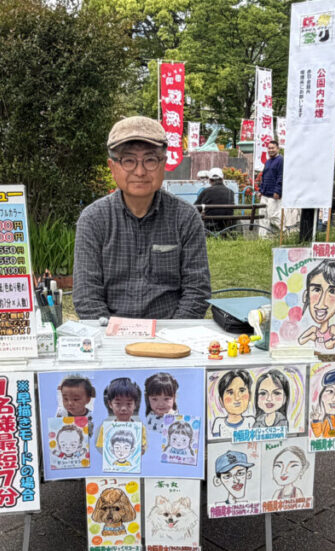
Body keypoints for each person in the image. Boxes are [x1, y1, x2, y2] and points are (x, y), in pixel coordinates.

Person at [73, 115, 211, 319]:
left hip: (170, 330)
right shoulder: (93, 220)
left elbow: (197, 291)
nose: (140, 171)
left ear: (163, 163)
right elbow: (86, 296)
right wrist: (113, 333)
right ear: (112, 167)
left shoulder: (185, 217)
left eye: (150, 160)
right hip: (110, 331)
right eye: (128, 160)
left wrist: (170, 334)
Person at [297, 260, 335, 350]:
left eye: (332, 291)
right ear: (306, 296)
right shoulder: (314, 329)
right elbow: (300, 340)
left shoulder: (332, 329)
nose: (321, 303)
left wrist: (332, 342)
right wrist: (310, 337)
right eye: (317, 289)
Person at [209, 369, 254, 438]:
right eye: (230, 393)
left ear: (249, 396)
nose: (237, 398)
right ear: (221, 401)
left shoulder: (251, 422)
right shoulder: (218, 423)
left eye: (242, 391)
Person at [195, 167, 236, 233]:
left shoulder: (206, 191)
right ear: (222, 179)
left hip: (209, 227)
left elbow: (196, 208)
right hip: (227, 226)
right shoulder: (230, 192)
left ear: (210, 180)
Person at [259, 140, 283, 234]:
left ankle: (282, 235)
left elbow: (281, 176)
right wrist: (261, 190)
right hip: (265, 194)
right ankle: (262, 238)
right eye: (269, 148)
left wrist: (278, 191)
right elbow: (264, 176)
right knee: (263, 216)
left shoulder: (281, 160)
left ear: (278, 149)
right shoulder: (267, 161)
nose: (270, 150)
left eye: (273, 148)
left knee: (274, 216)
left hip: (274, 195)